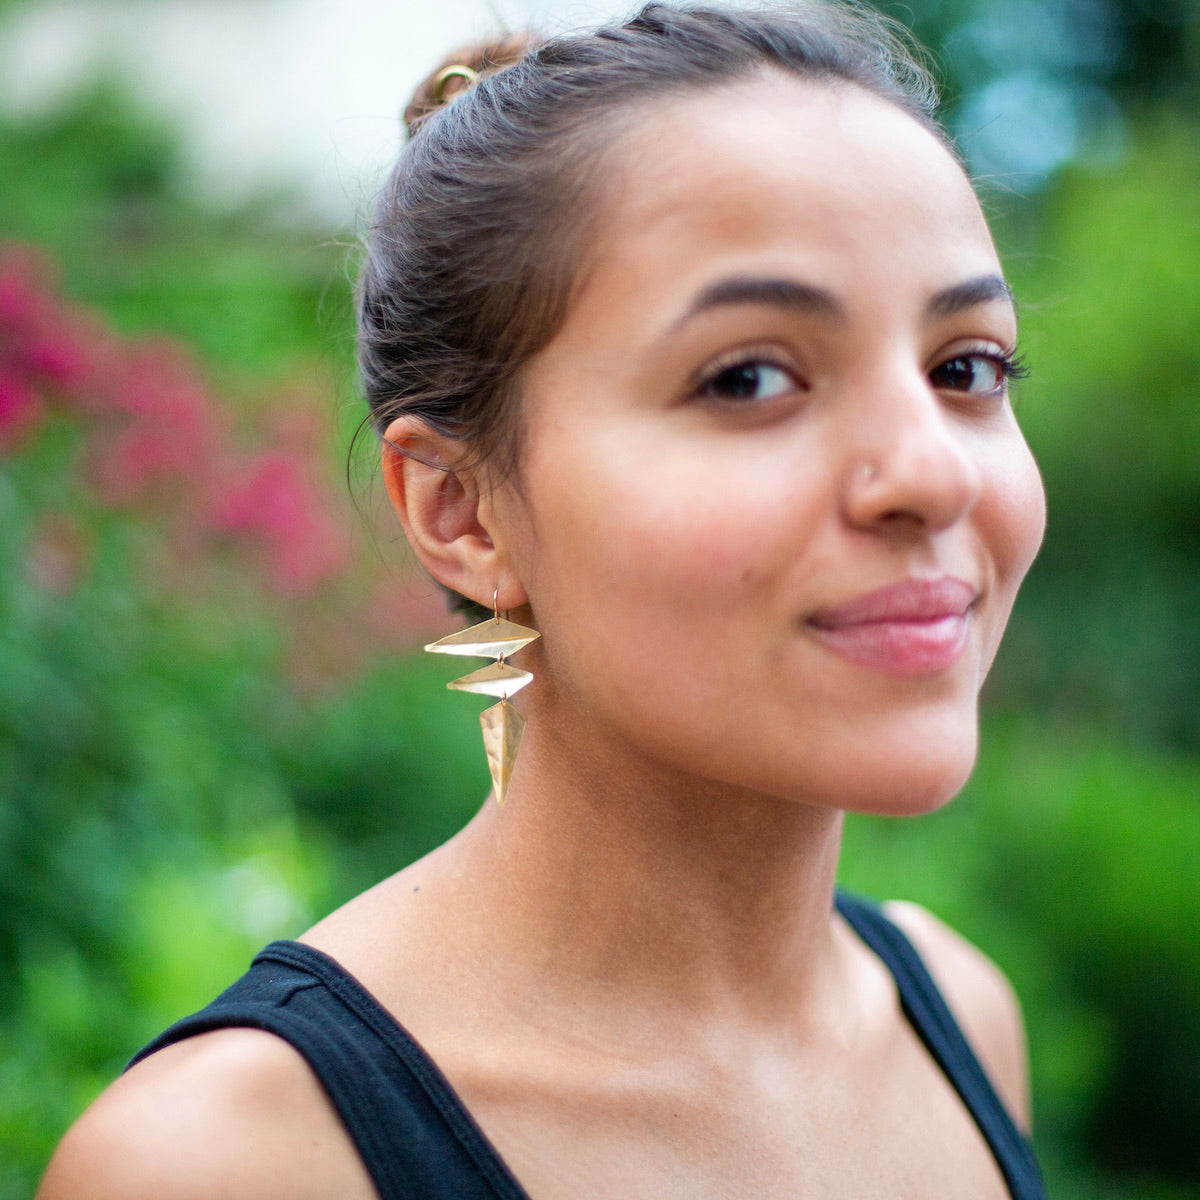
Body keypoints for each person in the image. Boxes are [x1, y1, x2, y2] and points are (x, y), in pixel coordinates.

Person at [38, 3, 1049, 1197]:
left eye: (965, 368)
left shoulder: (956, 1017)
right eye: (749, 378)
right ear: (463, 512)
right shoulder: (231, 1160)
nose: (933, 472)